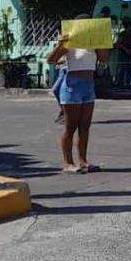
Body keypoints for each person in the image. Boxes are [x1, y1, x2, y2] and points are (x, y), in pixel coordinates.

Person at [47, 16, 109, 172]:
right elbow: (51, 60)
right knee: (70, 127)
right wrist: (61, 45)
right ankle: (68, 163)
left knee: (85, 126)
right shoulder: (70, 43)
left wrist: (101, 44)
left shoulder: (93, 43)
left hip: (88, 85)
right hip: (72, 86)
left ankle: (83, 161)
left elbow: (104, 59)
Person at [115, 17, 131, 88]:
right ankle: (121, 84)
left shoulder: (130, 34)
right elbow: (118, 44)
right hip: (123, 53)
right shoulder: (123, 34)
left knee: (128, 69)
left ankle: (128, 84)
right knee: (122, 69)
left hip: (130, 54)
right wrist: (125, 49)